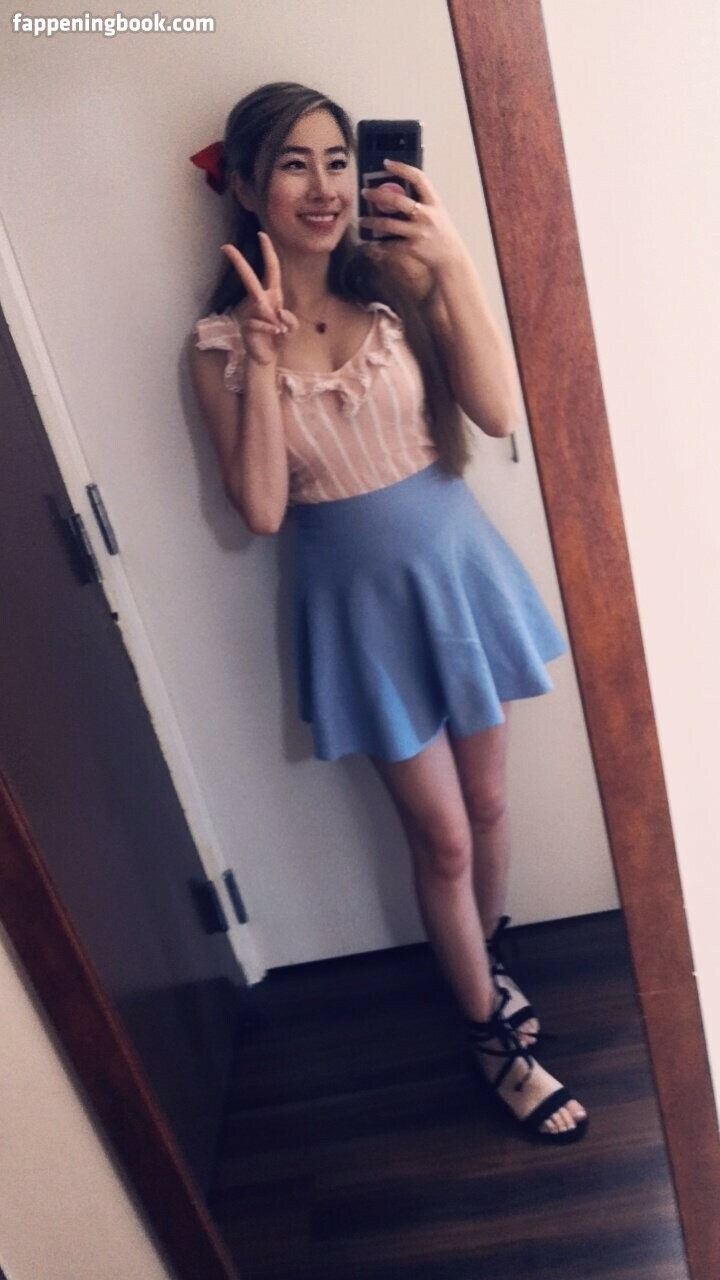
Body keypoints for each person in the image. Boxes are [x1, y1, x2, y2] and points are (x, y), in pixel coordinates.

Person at [188, 81, 588, 1143]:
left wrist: (451, 261)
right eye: (293, 164)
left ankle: (484, 968)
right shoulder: (220, 344)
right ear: (247, 188)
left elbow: (496, 412)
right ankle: (493, 1039)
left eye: (337, 159)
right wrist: (262, 359)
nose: (323, 187)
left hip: (457, 575)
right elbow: (262, 513)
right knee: (444, 838)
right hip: (358, 612)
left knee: (490, 806)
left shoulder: (397, 286)